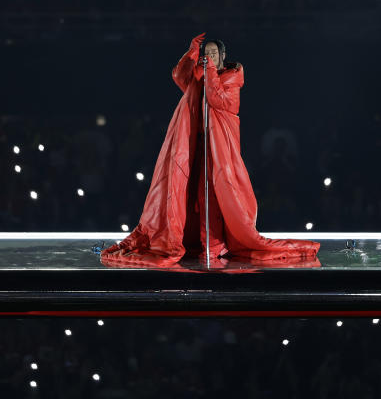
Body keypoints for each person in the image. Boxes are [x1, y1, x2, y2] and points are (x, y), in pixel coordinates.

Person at [101, 33, 320, 267]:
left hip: (219, 147)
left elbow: (218, 100)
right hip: (198, 142)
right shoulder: (200, 73)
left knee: (218, 193)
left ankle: (215, 244)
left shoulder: (232, 77)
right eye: (207, 54)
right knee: (190, 192)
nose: (209, 58)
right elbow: (179, 76)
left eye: (214, 54)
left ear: (223, 57)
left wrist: (210, 72)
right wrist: (192, 53)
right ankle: (193, 240)